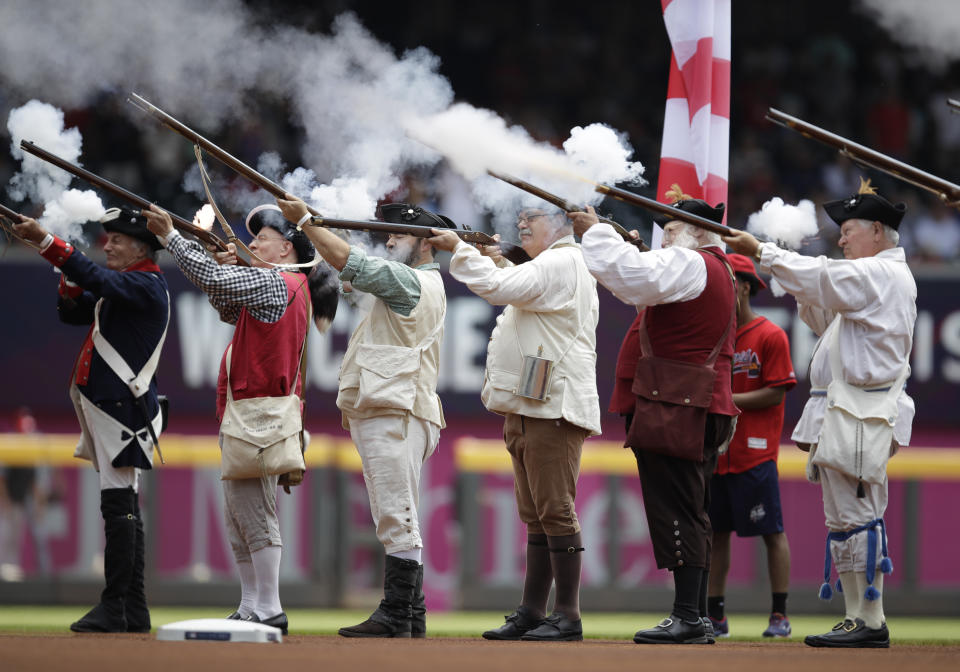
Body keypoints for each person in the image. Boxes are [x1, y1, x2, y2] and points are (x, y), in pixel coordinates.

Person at [723, 179, 915, 649]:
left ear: (876, 230)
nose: (842, 238)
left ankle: (869, 619)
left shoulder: (882, 273)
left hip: (861, 409)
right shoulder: (874, 277)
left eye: (848, 229)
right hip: (847, 409)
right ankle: (857, 616)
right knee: (843, 518)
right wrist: (789, 270)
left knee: (857, 515)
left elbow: (825, 279)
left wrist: (766, 254)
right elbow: (822, 309)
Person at [144, 203, 332, 636]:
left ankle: (268, 606)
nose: (252, 244)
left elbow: (213, 281)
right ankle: (253, 604)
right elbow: (228, 305)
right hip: (251, 413)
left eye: (261, 239)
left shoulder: (275, 281)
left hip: (257, 413)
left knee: (254, 512)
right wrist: (215, 262)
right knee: (240, 515)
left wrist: (173, 238)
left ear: (285, 248)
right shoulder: (282, 282)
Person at [569, 185, 738, 645]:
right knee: (692, 508)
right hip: (692, 401)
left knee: (677, 507)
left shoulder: (693, 262)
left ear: (698, 232)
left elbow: (629, 276)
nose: (665, 239)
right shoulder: (713, 266)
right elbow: (644, 276)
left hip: (677, 403)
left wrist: (598, 233)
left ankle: (687, 614)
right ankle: (696, 615)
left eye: (673, 229)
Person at [276, 195, 451, 639]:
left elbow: (347, 259)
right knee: (396, 510)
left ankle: (397, 612)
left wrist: (308, 222)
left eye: (400, 233)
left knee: (395, 513)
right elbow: (336, 272)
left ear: (425, 243)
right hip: (394, 406)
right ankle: (411, 614)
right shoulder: (408, 279)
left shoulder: (407, 280)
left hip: (394, 408)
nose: (389, 238)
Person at [430, 206, 600, 642]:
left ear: (562, 226)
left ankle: (567, 614)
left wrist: (459, 249)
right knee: (539, 516)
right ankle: (532, 610)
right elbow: (522, 283)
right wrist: (495, 256)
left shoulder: (563, 260)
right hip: (532, 404)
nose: (521, 223)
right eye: (520, 216)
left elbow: (499, 287)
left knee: (555, 512)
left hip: (551, 406)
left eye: (533, 217)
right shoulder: (555, 262)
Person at [13, 208, 169, 633]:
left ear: (140, 247)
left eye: (117, 240)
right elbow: (74, 310)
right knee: (123, 506)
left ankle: (117, 605)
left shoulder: (145, 283)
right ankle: (131, 608)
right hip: (112, 407)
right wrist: (68, 277)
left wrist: (50, 245)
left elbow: (100, 282)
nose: (108, 245)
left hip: (120, 407)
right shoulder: (130, 286)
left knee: (118, 506)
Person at [706, 254, 796, 639]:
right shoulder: (714, 336)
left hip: (755, 452)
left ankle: (780, 614)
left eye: (727, 282)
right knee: (715, 534)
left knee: (771, 532)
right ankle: (715, 615)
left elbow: (776, 393)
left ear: (742, 286)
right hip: (717, 454)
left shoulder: (770, 334)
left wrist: (728, 399)